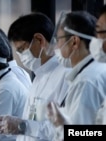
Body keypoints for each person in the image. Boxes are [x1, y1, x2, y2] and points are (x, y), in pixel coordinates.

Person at [0, 12, 70, 141]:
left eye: (22, 49)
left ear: (40, 40)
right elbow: (33, 122)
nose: (20, 56)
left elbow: (68, 130)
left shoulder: (66, 76)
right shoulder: (38, 77)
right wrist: (14, 125)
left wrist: (23, 126)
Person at [46, 11, 106, 141]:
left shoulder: (86, 81)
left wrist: (63, 127)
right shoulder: (95, 71)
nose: (57, 46)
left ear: (74, 42)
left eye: (59, 40)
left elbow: (83, 133)